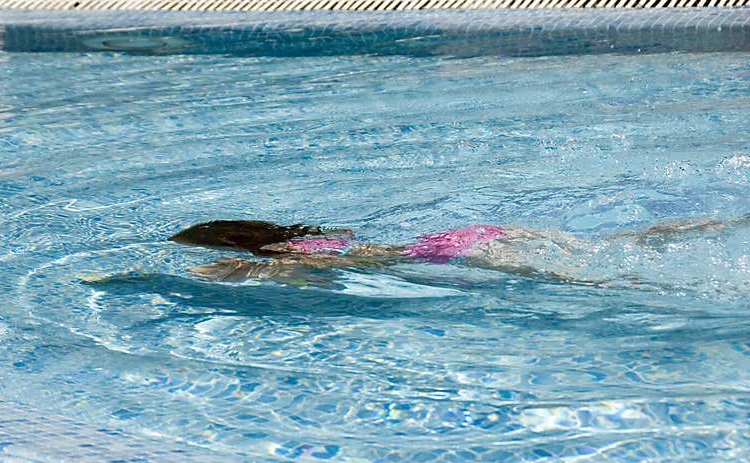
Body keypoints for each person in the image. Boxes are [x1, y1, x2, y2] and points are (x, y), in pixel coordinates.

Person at [167, 214, 748, 287]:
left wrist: (221, 274)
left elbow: (313, 278)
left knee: (585, 281)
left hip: (446, 255)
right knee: (610, 243)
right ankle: (718, 222)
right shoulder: (317, 236)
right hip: (467, 233)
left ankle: (692, 288)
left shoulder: (296, 255)